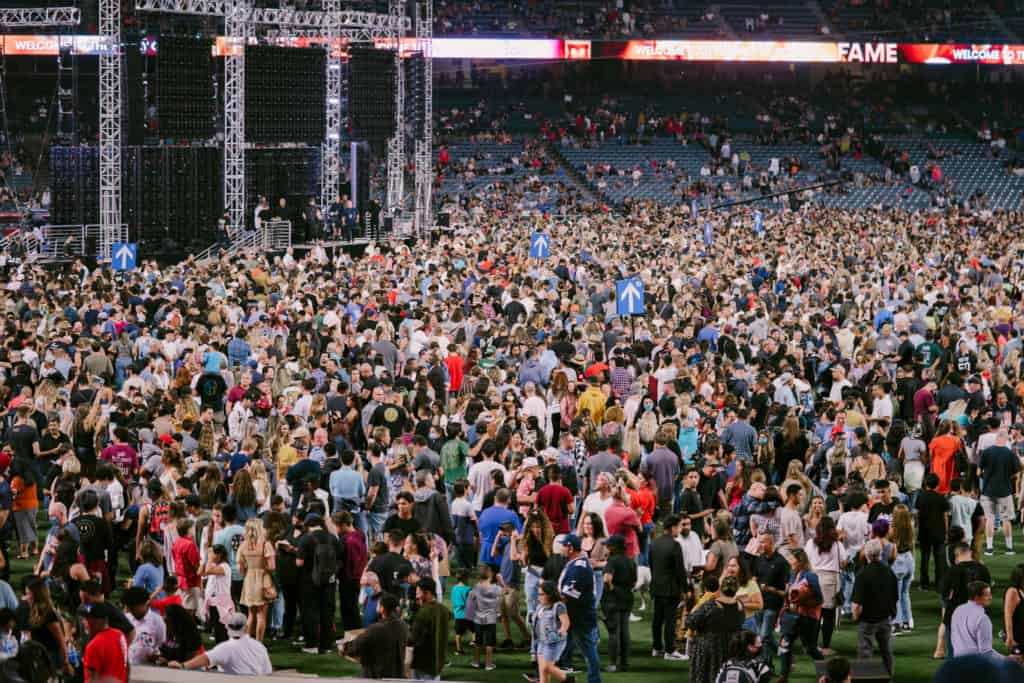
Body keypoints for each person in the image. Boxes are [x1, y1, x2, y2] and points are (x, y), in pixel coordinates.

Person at [556, 533, 602, 683]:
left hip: (580, 617)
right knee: (565, 647)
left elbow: (568, 594)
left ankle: (594, 680)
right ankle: (566, 677)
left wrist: (551, 599)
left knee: (588, 650)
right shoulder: (575, 564)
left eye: (563, 545)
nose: (560, 548)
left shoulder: (579, 568)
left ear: (570, 548)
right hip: (575, 615)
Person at [296, 512, 342, 655]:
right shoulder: (333, 538)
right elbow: (340, 558)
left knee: (311, 612)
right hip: (330, 581)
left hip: (310, 581)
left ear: (308, 525)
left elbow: (299, 562)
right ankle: (327, 645)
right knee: (327, 612)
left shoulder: (305, 539)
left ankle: (312, 645)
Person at [169, 611, 272, 675]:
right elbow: (268, 673)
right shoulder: (260, 647)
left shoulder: (226, 648)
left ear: (227, 627)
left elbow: (205, 658)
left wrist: (182, 666)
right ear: (246, 628)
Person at [851, 539, 898, 678]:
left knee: (865, 653)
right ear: (881, 553)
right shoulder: (889, 572)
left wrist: (855, 616)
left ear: (866, 554)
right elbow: (895, 597)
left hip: (867, 620)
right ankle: (889, 677)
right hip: (885, 618)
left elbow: (857, 604)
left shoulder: (863, 575)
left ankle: (865, 679)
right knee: (886, 651)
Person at [685, 575, 745, 683]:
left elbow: (690, 621)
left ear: (721, 588)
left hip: (708, 649)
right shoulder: (740, 606)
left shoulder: (710, 605)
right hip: (731, 649)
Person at [778, 548, 823, 678]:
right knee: (785, 644)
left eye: (792, 559)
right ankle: (783, 675)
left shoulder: (810, 576)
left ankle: (823, 673)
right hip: (793, 617)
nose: (790, 561)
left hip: (807, 618)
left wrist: (801, 604)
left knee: (810, 648)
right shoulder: (792, 575)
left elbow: (819, 599)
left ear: (800, 561)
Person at [650, 515, 690, 661]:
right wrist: (686, 589)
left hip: (657, 587)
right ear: (673, 527)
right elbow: (680, 570)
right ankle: (670, 650)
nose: (680, 529)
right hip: (671, 589)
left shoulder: (654, 543)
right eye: (679, 526)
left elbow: (652, 565)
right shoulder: (675, 545)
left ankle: (656, 647)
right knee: (670, 620)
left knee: (657, 619)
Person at [342, 593, 410, 679]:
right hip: (398, 675)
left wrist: (344, 647)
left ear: (382, 608)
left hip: (377, 676)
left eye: (378, 604)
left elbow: (355, 646)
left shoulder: (376, 629)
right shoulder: (403, 626)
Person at [978, 429, 1018, 555]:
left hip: (988, 490)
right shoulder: (1010, 453)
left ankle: (989, 548)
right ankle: (1009, 548)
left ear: (997, 438)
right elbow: (1016, 473)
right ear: (1005, 439)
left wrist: (986, 477)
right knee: (1006, 520)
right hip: (1005, 490)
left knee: (989, 518)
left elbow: (978, 472)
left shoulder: (986, 452)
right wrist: (1007, 478)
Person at [753, 530, 789, 667]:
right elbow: (754, 578)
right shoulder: (759, 559)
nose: (760, 544)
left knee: (763, 637)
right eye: (759, 541)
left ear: (771, 542)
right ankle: (784, 654)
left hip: (773, 605)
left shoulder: (781, 562)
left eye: (762, 541)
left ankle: (766, 665)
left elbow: (785, 591)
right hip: (758, 603)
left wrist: (771, 590)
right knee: (766, 637)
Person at [601, 534, 636, 673]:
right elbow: (634, 582)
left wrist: (612, 589)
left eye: (609, 545)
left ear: (614, 547)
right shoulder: (631, 561)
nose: (607, 547)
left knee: (614, 632)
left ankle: (613, 664)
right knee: (625, 631)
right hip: (627, 596)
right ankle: (625, 663)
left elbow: (606, 579)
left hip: (613, 599)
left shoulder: (612, 561)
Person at [409, 577, 451, 681]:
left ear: (427, 593)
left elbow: (412, 639)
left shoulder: (424, 613)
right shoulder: (444, 610)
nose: (416, 595)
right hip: (437, 662)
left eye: (418, 592)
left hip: (423, 663)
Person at [532, 580, 573, 683]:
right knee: (543, 671)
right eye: (539, 594)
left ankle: (567, 679)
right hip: (541, 641)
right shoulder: (540, 606)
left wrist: (562, 630)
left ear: (550, 594)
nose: (539, 597)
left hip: (554, 642)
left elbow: (566, 622)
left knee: (546, 667)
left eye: (542, 594)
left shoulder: (558, 606)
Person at [950, 581, 1002, 661]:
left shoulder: (958, 610)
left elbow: (954, 639)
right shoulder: (982, 619)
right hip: (975, 665)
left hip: (957, 662)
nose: (990, 597)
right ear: (977, 597)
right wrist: (1007, 660)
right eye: (987, 595)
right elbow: (986, 652)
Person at [81, 602, 129, 683]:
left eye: (87, 619)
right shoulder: (120, 635)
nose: (83, 622)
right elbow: (126, 667)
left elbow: (92, 680)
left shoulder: (94, 645)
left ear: (100, 620)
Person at [468, 564, 503, 671]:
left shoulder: (476, 587)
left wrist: (469, 616)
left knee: (477, 642)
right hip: (491, 619)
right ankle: (488, 664)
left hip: (478, 619)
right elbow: (501, 599)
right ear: (490, 575)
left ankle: (476, 662)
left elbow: (471, 600)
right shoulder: (496, 588)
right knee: (489, 643)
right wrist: (499, 614)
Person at [1003, 564, 1024, 656]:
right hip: (1018, 635)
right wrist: (1010, 637)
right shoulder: (1013, 592)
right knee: (1017, 661)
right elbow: (1008, 616)